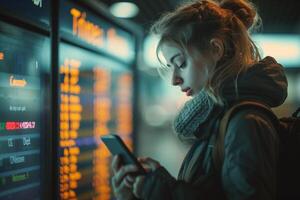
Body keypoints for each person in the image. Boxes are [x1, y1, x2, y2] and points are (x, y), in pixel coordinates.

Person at [110, 0, 288, 199]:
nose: (174, 80)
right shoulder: (218, 118)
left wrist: (162, 191)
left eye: (181, 63)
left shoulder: (246, 123)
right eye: (171, 67)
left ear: (216, 49)